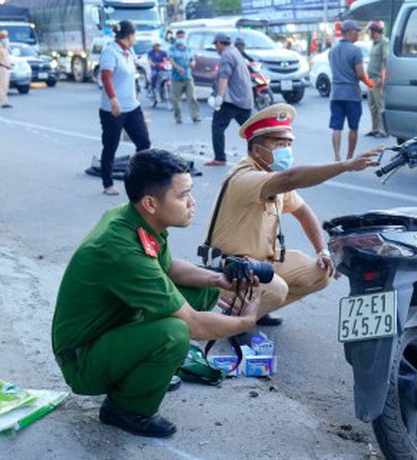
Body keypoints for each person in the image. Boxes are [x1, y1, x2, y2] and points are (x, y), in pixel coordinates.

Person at [52, 149, 262, 438]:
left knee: (200, 292)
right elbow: (196, 327)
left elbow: (170, 267)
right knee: (175, 332)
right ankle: (125, 408)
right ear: (151, 202)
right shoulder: (120, 249)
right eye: (182, 195)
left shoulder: (134, 218)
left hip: (112, 328)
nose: (192, 202)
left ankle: (143, 374)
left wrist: (218, 279)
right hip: (83, 360)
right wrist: (245, 322)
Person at [206, 103, 382, 326]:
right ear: (256, 150)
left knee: (321, 271)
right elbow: (291, 178)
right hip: (230, 267)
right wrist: (344, 165)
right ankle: (233, 323)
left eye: (288, 143)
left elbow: (303, 211)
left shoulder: (270, 174)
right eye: (279, 143)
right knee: (276, 289)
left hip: (261, 262)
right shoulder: (245, 177)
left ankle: (255, 311)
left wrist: (322, 251)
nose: (286, 149)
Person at [99, 20, 151, 196]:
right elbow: (106, 77)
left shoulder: (129, 51)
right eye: (134, 35)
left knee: (144, 142)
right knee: (111, 145)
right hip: (114, 108)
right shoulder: (110, 52)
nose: (135, 38)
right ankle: (107, 182)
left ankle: (140, 178)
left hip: (132, 106)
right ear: (129, 36)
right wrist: (113, 99)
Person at [329, 20, 375, 162]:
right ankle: (349, 158)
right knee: (353, 127)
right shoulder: (355, 51)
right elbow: (360, 74)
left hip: (335, 94)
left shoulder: (332, 50)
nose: (358, 34)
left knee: (337, 127)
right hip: (351, 95)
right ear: (348, 31)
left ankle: (337, 157)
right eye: (356, 31)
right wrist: (370, 83)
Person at [206, 33, 253, 167]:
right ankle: (258, 157)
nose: (216, 48)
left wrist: (219, 97)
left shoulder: (226, 55)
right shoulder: (235, 52)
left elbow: (224, 77)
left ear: (220, 44)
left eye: (216, 45)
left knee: (217, 127)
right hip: (245, 99)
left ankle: (220, 158)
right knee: (250, 131)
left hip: (231, 100)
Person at [364, 21, 389, 139]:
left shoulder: (384, 42)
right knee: (372, 105)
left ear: (375, 32)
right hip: (370, 79)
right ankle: (375, 129)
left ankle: (383, 130)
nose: (369, 34)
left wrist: (382, 78)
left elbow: (385, 61)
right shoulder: (374, 43)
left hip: (377, 78)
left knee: (380, 106)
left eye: (370, 32)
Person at [167, 37, 200, 124]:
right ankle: (178, 117)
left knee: (192, 97)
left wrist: (192, 64)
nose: (181, 47)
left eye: (182, 45)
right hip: (176, 78)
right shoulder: (172, 49)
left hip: (188, 77)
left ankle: (195, 116)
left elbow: (192, 60)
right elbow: (171, 60)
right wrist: (178, 68)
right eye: (180, 45)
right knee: (176, 99)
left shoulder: (188, 50)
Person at [0, 30, 13, 108]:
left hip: (6, 68)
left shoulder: (5, 48)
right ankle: (3, 102)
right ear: (2, 39)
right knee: (3, 85)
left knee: (6, 85)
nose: (7, 39)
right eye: (5, 38)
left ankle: (5, 101)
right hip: (2, 68)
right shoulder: (0, 48)